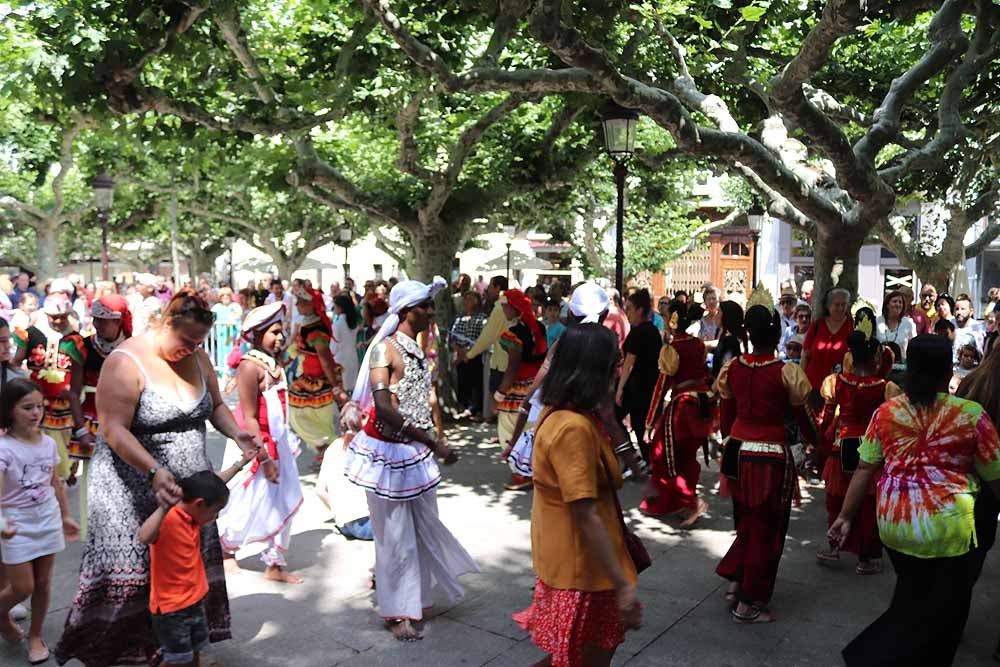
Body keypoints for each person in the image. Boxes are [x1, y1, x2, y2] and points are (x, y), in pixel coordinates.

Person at [55, 289, 263, 666]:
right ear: (165, 323)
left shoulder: (198, 355)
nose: (192, 348)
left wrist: (237, 433)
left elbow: (215, 404)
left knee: (183, 568)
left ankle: (180, 642)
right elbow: (113, 428)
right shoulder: (125, 362)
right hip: (129, 485)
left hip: (189, 490)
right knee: (134, 569)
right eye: (186, 340)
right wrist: (152, 469)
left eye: (198, 342)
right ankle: (124, 648)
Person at [831, 335, 1000, 666]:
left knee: (914, 596)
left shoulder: (887, 412)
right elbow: (995, 477)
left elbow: (865, 469)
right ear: (945, 371)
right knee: (945, 616)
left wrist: (845, 516)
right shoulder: (971, 415)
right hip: (949, 534)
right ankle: (868, 655)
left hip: (895, 528)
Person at [342, 277, 478, 642]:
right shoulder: (382, 351)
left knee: (419, 530)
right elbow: (385, 410)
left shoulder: (417, 350)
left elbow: (424, 399)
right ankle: (397, 611)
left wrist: (435, 436)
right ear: (405, 311)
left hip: (415, 453)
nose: (431, 312)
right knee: (395, 537)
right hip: (388, 455)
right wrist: (434, 443)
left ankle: (413, 600)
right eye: (425, 307)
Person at [513, 324, 642, 666]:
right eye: (612, 365)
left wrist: (610, 419)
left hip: (579, 565)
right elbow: (585, 514)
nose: (617, 372)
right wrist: (622, 585)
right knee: (584, 660)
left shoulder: (569, 415)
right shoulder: (573, 428)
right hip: (584, 571)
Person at [714, 292, 813, 623]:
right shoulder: (787, 372)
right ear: (776, 335)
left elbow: (726, 420)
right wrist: (818, 444)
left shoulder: (732, 368)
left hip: (736, 452)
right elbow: (805, 420)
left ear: (747, 334)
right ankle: (748, 601)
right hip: (770, 456)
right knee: (766, 529)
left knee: (745, 520)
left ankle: (736, 579)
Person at [217, 303, 304, 584]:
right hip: (256, 447)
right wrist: (263, 458)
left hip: (279, 443)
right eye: (274, 332)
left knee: (283, 498)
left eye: (282, 332)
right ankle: (226, 549)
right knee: (244, 500)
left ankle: (274, 564)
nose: (280, 338)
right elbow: (250, 417)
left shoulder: (273, 364)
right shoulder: (249, 367)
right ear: (255, 335)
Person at [0, 379, 79, 664]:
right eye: (27, 407)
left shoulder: (47, 443)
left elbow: (55, 482)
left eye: (39, 406)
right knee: (23, 587)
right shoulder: (4, 448)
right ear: (10, 410)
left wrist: (66, 515)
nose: (36, 412)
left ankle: (35, 635)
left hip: (47, 518)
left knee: (44, 582)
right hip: (16, 523)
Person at [815, 313, 899, 575]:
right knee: (868, 504)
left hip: (841, 447)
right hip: (871, 450)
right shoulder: (886, 388)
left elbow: (827, 418)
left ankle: (833, 546)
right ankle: (868, 557)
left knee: (836, 499)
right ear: (876, 360)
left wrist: (821, 443)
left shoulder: (836, 383)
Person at [140, 467, 247, 667]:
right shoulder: (169, 518)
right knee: (179, 659)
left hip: (193, 600)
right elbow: (144, 537)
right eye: (215, 511)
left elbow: (215, 485)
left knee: (196, 648)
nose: (215, 516)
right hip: (172, 609)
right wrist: (163, 508)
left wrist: (239, 464)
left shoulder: (193, 515)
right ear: (199, 504)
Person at [641, 300, 713, 526]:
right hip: (703, 406)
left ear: (671, 320)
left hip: (683, 409)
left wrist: (649, 423)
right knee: (687, 457)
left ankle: (691, 501)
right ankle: (678, 502)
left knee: (664, 455)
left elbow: (661, 386)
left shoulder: (672, 349)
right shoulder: (698, 344)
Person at [11, 294, 81, 484]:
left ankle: (65, 470)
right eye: (54, 317)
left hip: (66, 403)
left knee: (65, 440)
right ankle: (58, 477)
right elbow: (16, 363)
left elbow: (78, 371)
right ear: (45, 314)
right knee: (45, 441)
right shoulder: (31, 334)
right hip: (38, 402)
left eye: (63, 317)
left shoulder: (75, 339)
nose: (58, 321)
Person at [289, 287, 349, 470]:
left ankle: (327, 448)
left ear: (309, 305)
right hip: (308, 375)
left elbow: (324, 359)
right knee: (300, 415)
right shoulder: (308, 323)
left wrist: (335, 385)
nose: (297, 304)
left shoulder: (316, 328)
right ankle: (325, 448)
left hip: (317, 379)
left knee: (310, 417)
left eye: (300, 301)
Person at [495, 289, 548, 491]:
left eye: (504, 306)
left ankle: (521, 472)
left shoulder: (512, 334)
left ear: (512, 308)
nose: (502, 309)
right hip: (539, 386)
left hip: (519, 389)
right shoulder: (538, 328)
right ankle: (534, 470)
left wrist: (499, 394)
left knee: (508, 429)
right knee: (533, 429)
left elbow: (512, 368)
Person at [615, 289, 662, 464]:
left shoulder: (640, 332)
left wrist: (620, 389)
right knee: (642, 423)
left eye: (629, 309)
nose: (627, 313)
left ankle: (640, 458)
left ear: (640, 310)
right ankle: (646, 459)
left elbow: (630, 363)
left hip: (638, 385)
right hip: (648, 384)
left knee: (633, 421)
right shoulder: (652, 331)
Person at [464, 276, 510, 414]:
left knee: (497, 400)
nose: (487, 290)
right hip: (508, 359)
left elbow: (487, 336)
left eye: (490, 286)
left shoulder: (500, 308)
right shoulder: (508, 305)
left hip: (501, 361)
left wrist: (469, 354)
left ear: (497, 288)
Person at [801, 287, 853, 389]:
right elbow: (805, 355)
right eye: (837, 305)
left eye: (844, 304)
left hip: (839, 387)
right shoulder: (817, 325)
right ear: (828, 306)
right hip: (813, 386)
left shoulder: (852, 326)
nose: (841, 308)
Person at [449, 291, 487, 419]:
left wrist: (469, 352)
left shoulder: (482, 318)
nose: (466, 302)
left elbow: (482, 338)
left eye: (470, 299)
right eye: (465, 299)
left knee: (476, 383)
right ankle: (464, 406)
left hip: (475, 356)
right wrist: (459, 351)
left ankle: (476, 409)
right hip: (460, 356)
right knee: (462, 382)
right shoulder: (459, 318)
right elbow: (452, 336)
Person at [210, 287, 242, 379]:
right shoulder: (216, 307)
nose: (225, 297)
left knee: (231, 351)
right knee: (221, 352)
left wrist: (232, 320)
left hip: (231, 335)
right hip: (221, 335)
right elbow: (211, 317)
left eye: (227, 295)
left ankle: (231, 372)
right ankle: (222, 373)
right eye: (223, 295)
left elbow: (238, 315)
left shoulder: (235, 306)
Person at [332, 294, 361, 392]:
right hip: (352, 358)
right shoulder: (353, 323)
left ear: (340, 308)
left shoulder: (337, 324)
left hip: (340, 360)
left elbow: (333, 347)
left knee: (342, 388)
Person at [876, 290, 916, 360]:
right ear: (887, 305)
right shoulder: (877, 321)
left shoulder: (909, 323)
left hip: (902, 366)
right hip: (880, 364)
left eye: (900, 302)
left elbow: (914, 347)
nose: (898, 304)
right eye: (894, 301)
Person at [712, 300, 746, 378]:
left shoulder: (730, 341)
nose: (715, 315)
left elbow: (725, 372)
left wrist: (713, 389)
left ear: (726, 317)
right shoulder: (724, 336)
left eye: (718, 312)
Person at [698, 286, 721, 350]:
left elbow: (722, 341)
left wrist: (704, 344)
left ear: (718, 301)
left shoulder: (723, 320)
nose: (711, 301)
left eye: (714, 298)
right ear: (705, 302)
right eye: (709, 299)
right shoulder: (701, 321)